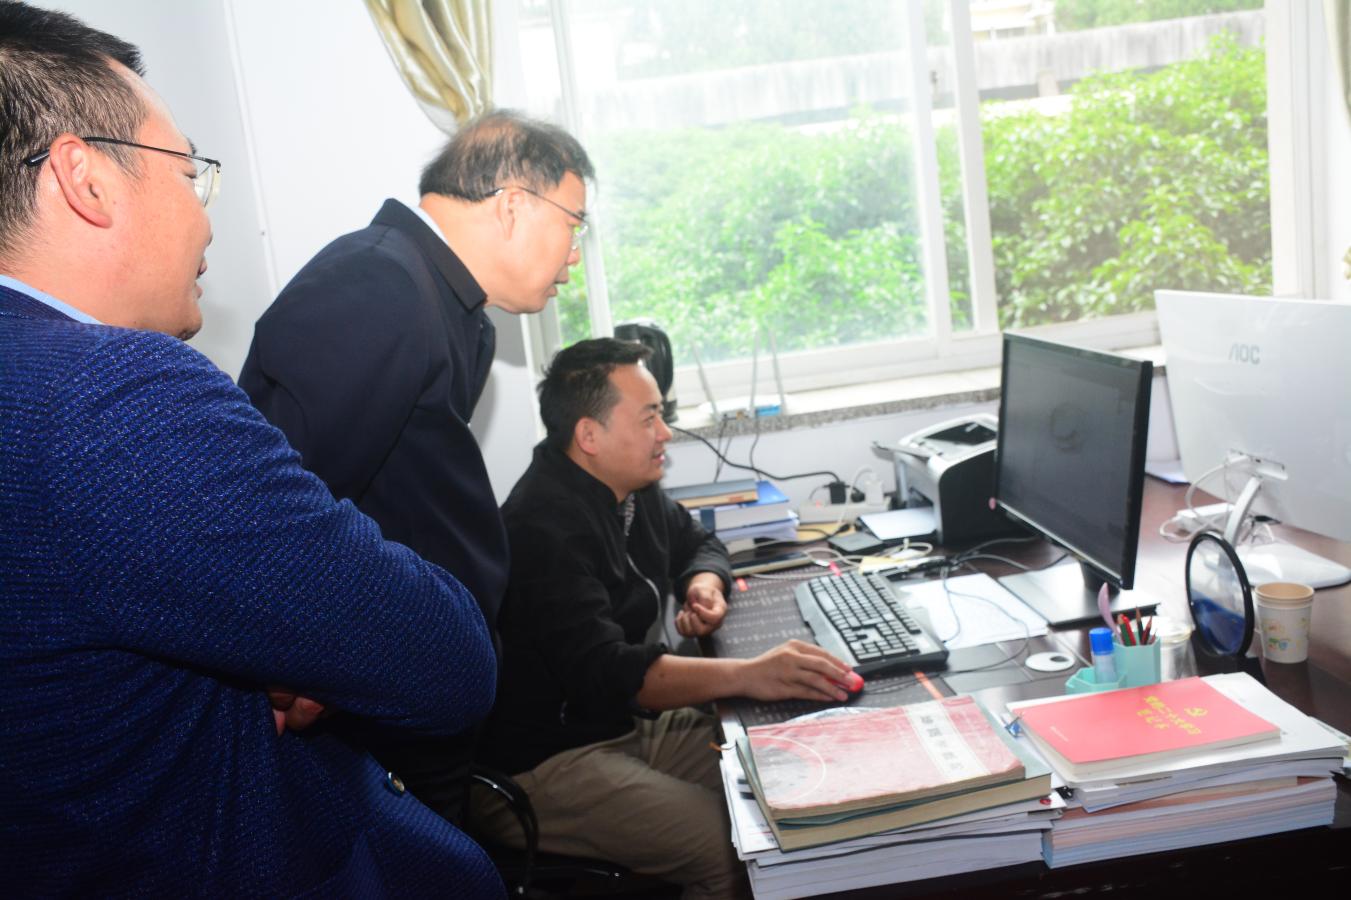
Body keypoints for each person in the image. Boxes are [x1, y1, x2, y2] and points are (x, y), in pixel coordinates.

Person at [0, 3, 501, 895]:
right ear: (85, 179)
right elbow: (445, 661)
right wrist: (298, 644)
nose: (205, 222)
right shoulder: (117, 397)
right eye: (188, 172)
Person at [237, 109, 593, 821]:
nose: (575, 256)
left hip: (414, 682)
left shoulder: (448, 303)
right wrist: (298, 668)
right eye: (572, 224)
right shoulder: (378, 282)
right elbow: (278, 511)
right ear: (513, 205)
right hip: (368, 697)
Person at [471, 338, 858, 899]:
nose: (666, 433)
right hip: (545, 762)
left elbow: (698, 543)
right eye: (649, 417)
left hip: (620, 724)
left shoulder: (629, 490)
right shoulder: (541, 529)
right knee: (736, 853)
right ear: (589, 436)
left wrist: (703, 585)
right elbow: (613, 672)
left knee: (788, 782)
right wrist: (751, 674)